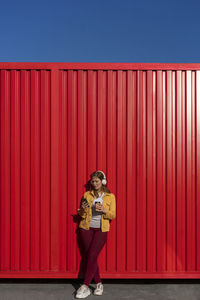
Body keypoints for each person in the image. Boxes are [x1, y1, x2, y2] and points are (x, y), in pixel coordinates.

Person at [76, 170, 116, 299]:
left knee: (92, 255)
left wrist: (104, 210)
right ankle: (99, 284)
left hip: (101, 229)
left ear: (103, 181)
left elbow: (113, 215)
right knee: (90, 257)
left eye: (97, 181)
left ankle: (85, 286)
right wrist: (82, 209)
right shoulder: (87, 194)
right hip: (86, 229)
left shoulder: (110, 197)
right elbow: (81, 214)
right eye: (92, 181)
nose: (94, 183)